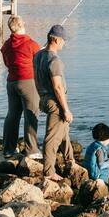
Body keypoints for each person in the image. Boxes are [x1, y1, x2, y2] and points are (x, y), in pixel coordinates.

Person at [35, 24, 74, 181]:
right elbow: (58, 87)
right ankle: (49, 172)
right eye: (63, 40)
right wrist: (65, 109)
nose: (64, 42)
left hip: (42, 98)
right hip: (55, 102)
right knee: (52, 138)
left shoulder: (38, 56)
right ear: (56, 40)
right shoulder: (54, 60)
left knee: (64, 132)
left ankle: (71, 160)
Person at [0, 15, 41, 159]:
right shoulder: (31, 44)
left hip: (11, 82)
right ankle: (31, 150)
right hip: (27, 82)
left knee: (12, 115)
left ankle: (8, 149)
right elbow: (39, 62)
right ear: (22, 24)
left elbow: (6, 62)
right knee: (31, 114)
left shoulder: (6, 45)